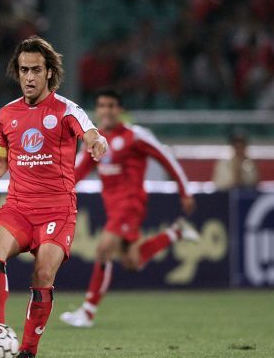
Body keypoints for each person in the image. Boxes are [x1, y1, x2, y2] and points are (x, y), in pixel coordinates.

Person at [0, 36, 108, 358]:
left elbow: (90, 132)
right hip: (18, 208)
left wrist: (96, 141)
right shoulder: (6, 114)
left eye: (36, 70)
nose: (29, 77)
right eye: (23, 70)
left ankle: (28, 350)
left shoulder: (66, 110)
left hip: (57, 211)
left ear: (49, 73)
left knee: (42, 274)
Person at [60, 89, 199, 328]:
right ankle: (176, 232)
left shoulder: (135, 135)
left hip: (131, 204)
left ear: (120, 109)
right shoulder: (94, 140)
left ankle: (87, 313)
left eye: (111, 105)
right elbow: (78, 172)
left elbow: (166, 157)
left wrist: (184, 190)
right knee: (132, 261)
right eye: (102, 105)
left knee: (104, 249)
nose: (106, 110)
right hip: (112, 207)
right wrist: (56, 192)